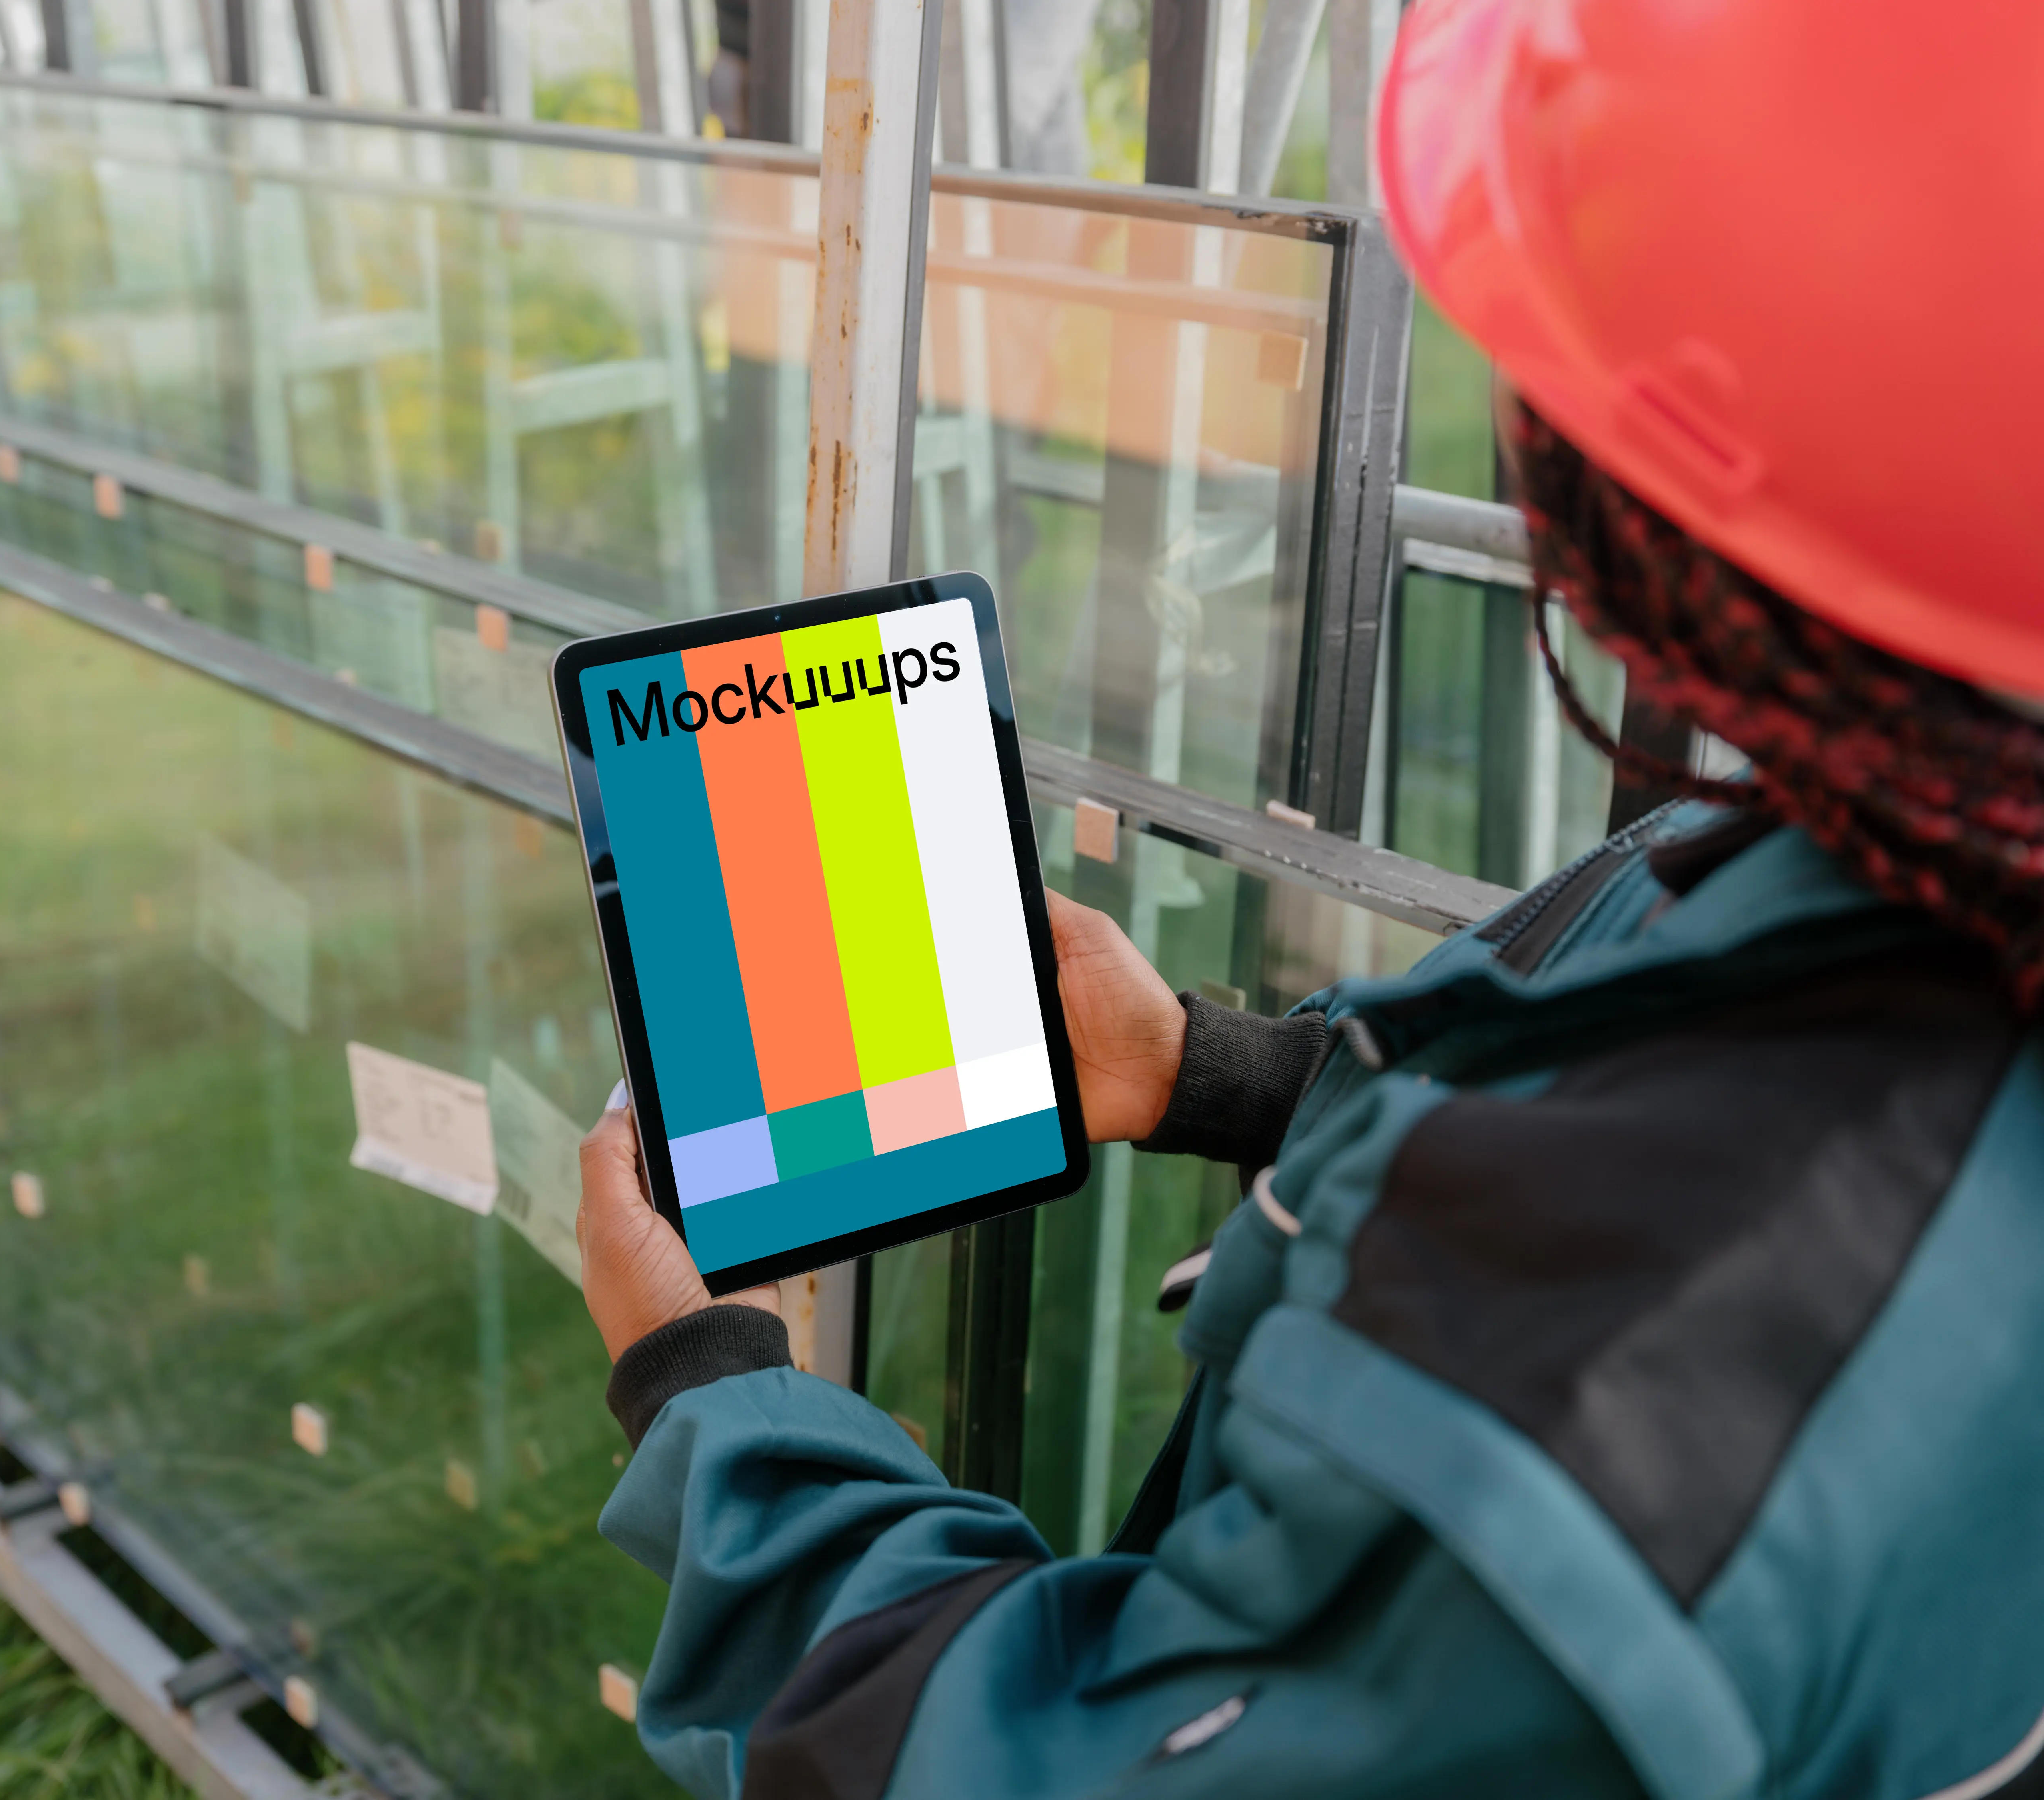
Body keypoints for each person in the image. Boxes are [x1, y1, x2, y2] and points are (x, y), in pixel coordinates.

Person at [573, 0, 2044, 1793]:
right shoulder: (1927, 858)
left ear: (1669, 485)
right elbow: (1659, 1049)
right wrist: (1220, 1073)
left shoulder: (1605, 1415)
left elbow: (1061, 1768)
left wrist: (714, 1395)